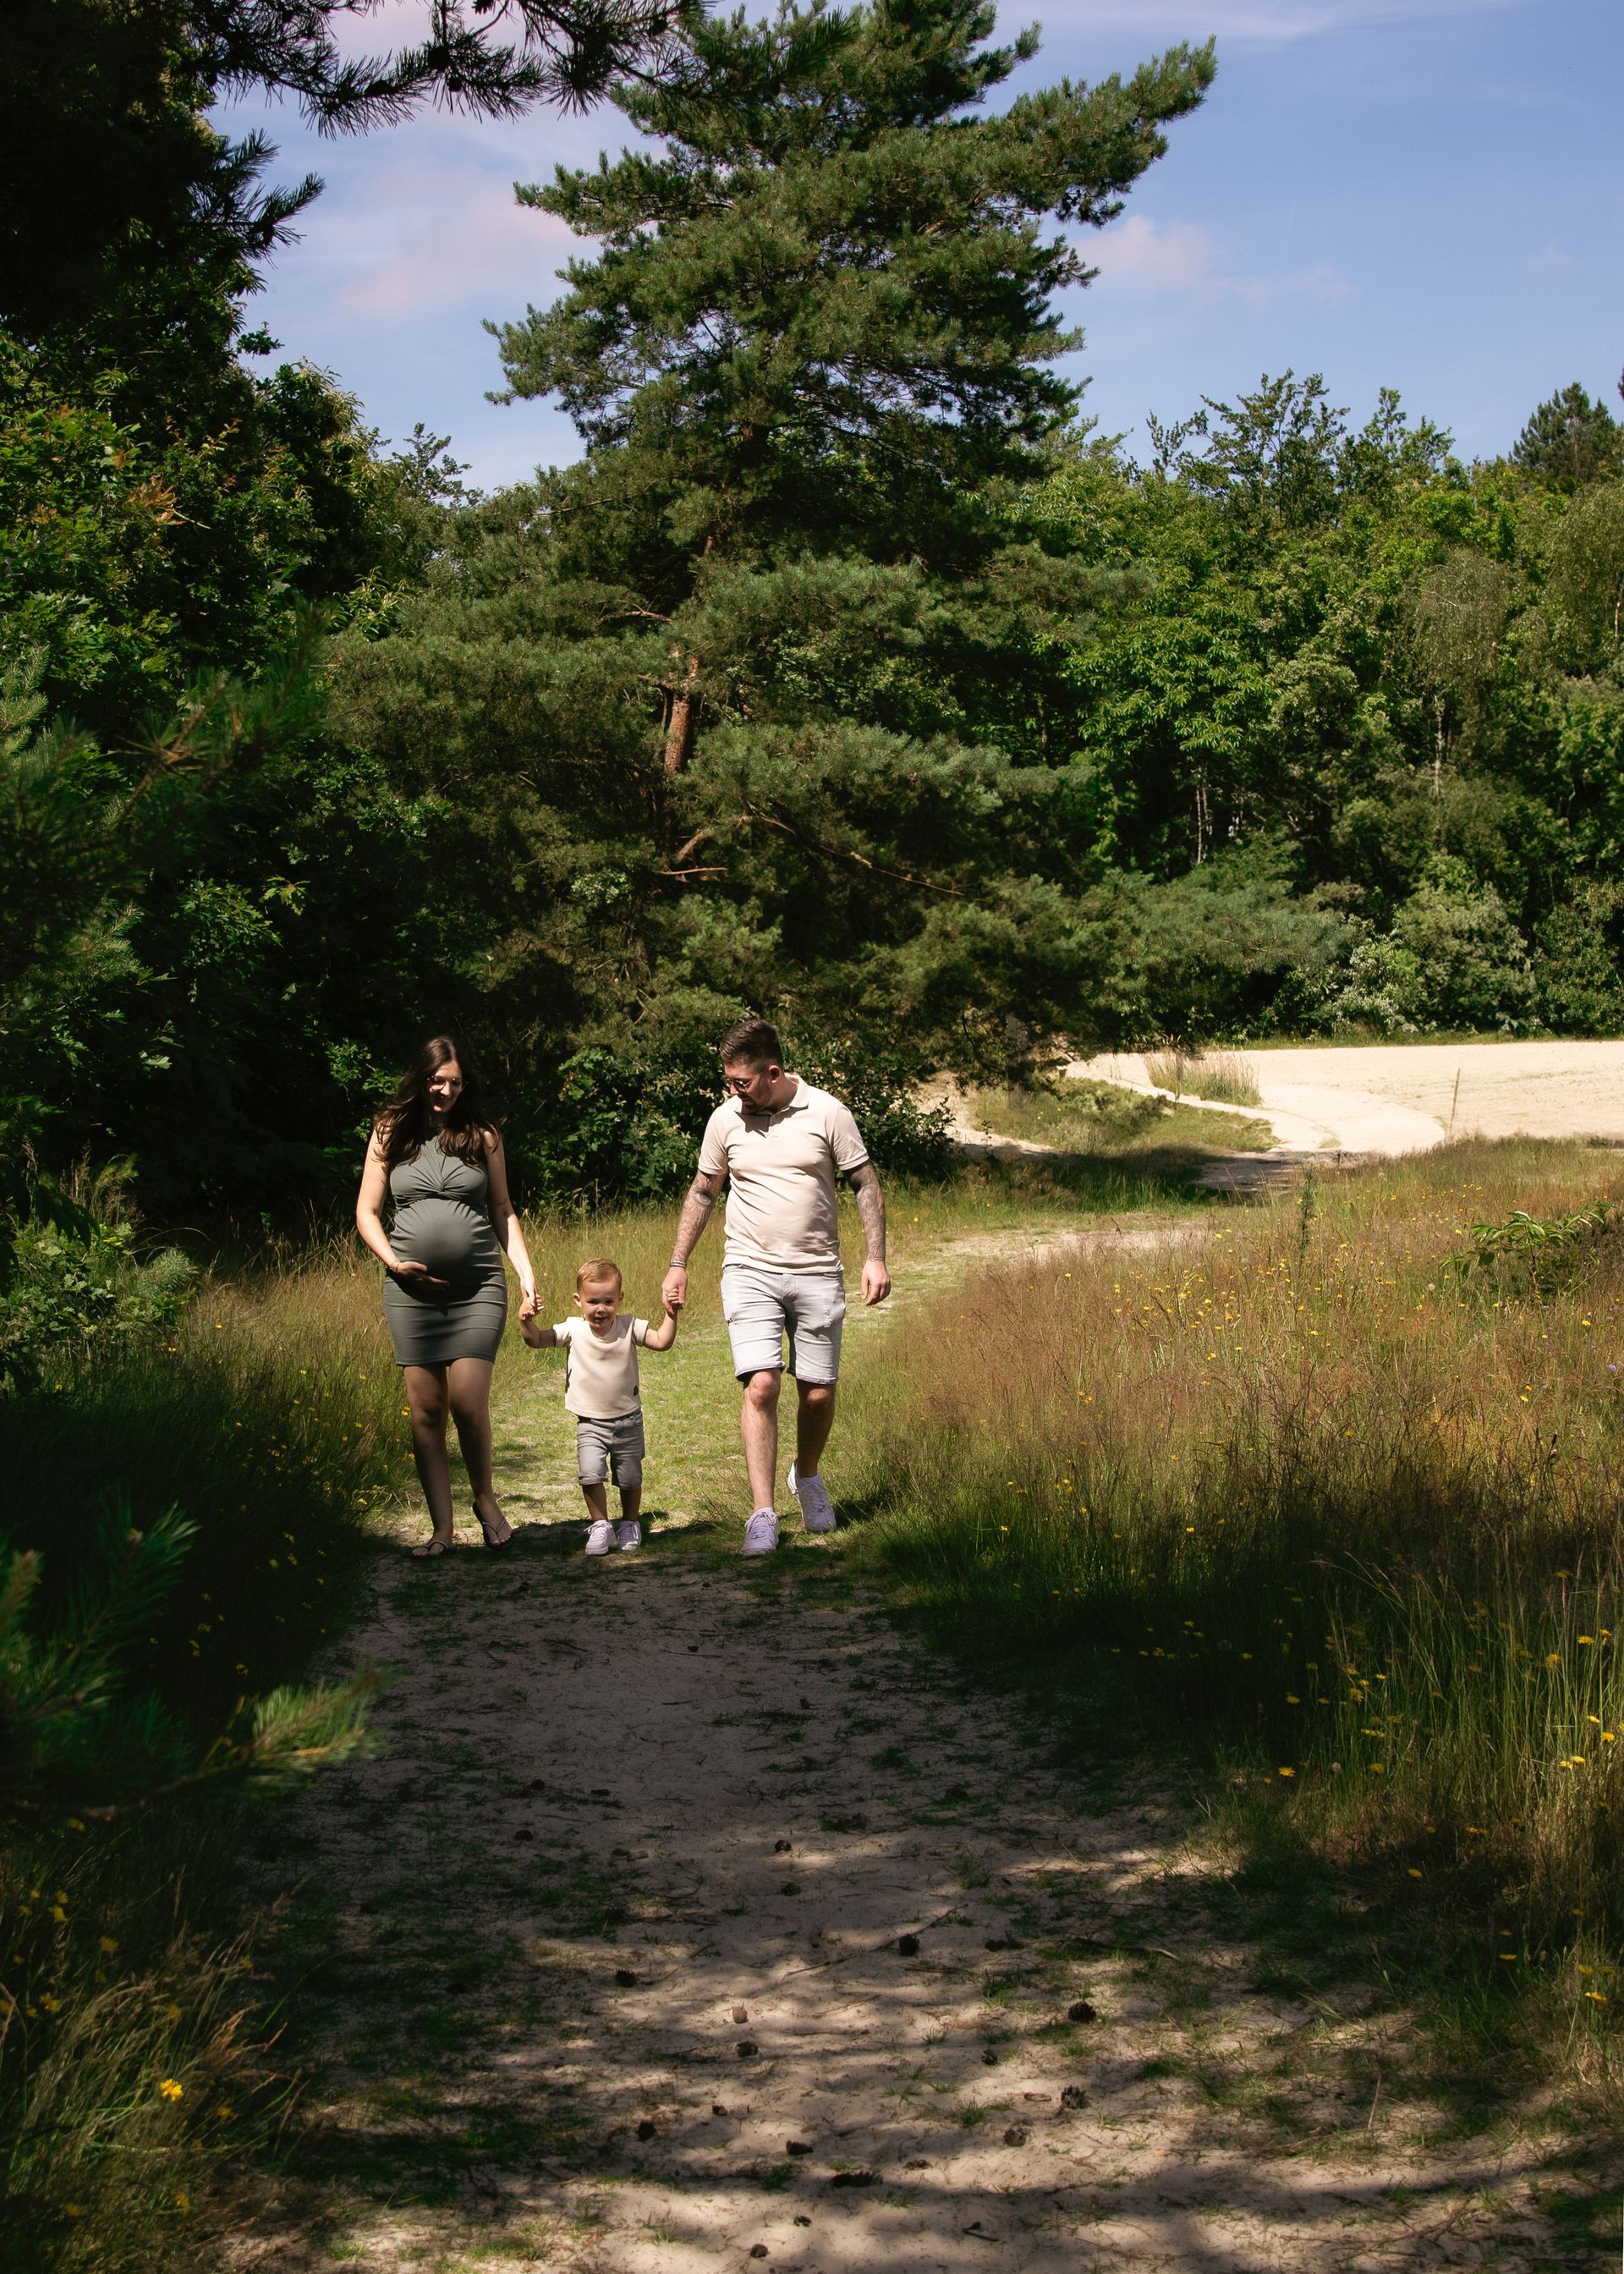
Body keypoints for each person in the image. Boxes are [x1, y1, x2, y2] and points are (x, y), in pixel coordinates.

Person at [662, 1019, 890, 1556]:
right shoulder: (725, 1119)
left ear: (773, 1072)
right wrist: (678, 1262)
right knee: (761, 1385)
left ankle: (806, 1475)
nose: (732, 1090)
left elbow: (864, 1182)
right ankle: (762, 1514)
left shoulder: (828, 1112)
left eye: (741, 1081)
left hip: (817, 1270)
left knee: (818, 1392)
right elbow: (703, 1191)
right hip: (749, 1269)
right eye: (729, 1081)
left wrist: (876, 1257)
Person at [355, 1033, 536, 1557]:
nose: (446, 1091)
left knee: (467, 1401)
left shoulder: (483, 1136)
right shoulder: (390, 1131)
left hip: (478, 1287)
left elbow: (502, 1209)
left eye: (455, 1083)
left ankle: (485, 1499)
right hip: (409, 1293)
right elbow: (367, 1211)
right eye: (437, 1081)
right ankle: (441, 1529)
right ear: (421, 1078)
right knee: (425, 1413)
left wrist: (526, 1273)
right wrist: (395, 1263)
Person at [519, 1258, 679, 1555]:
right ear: (578, 1300)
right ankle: (601, 1524)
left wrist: (671, 1315)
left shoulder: (629, 1326)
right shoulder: (573, 1329)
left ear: (620, 1299)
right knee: (590, 1474)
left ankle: (630, 1523)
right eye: (593, 1301)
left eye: (608, 1301)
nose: (601, 1309)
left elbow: (661, 1341)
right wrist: (526, 1321)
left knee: (630, 1478)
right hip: (590, 1423)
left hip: (629, 1420)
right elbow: (537, 1340)